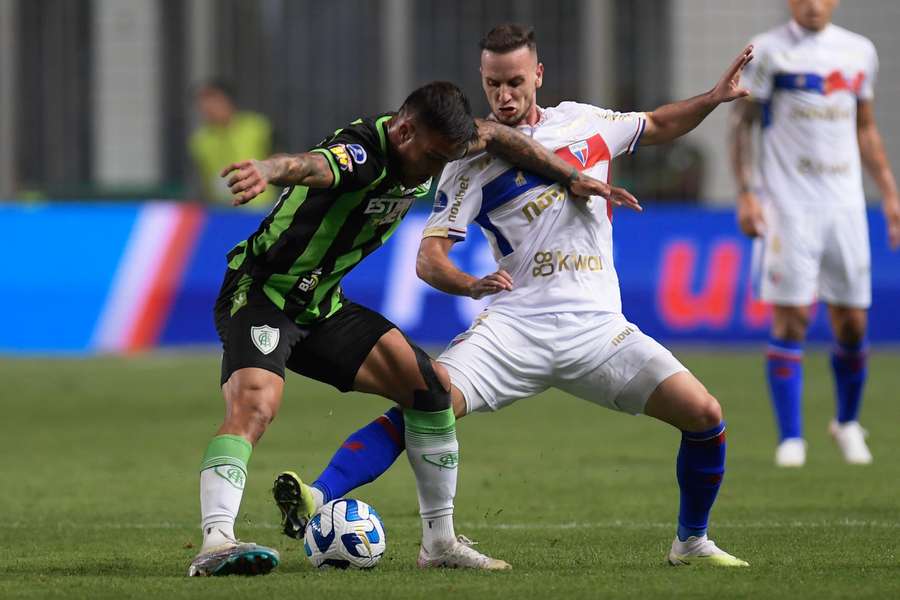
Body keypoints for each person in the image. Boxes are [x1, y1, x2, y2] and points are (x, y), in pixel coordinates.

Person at [272, 24, 753, 568]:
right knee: (426, 398)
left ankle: (690, 542)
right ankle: (320, 495)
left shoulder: (587, 123)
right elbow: (429, 259)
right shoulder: (468, 161)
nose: (504, 95)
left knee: (704, 413)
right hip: (515, 327)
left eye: (515, 82)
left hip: (599, 330)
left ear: (538, 76)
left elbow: (660, 123)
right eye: (493, 83)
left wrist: (713, 99)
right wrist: (470, 283)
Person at [187, 80, 629, 576]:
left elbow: (501, 138)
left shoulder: (440, 142)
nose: (440, 169)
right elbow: (307, 165)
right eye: (435, 157)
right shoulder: (361, 155)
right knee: (256, 404)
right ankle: (217, 541)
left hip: (322, 306)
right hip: (262, 294)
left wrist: (569, 175)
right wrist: (267, 169)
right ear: (402, 130)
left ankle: (440, 544)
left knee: (430, 389)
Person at [729, 0, 900, 468]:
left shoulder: (859, 51)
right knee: (791, 320)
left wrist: (889, 194)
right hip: (788, 207)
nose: (812, 4)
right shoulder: (766, 52)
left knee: (852, 324)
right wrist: (746, 193)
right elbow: (740, 126)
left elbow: (865, 128)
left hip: (845, 206)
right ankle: (791, 439)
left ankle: (846, 423)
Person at [189, 80, 275, 208]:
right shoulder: (199, 140)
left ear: (228, 100)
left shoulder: (257, 126)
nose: (208, 107)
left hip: (260, 206)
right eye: (203, 102)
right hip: (223, 209)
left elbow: (277, 159)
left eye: (213, 100)